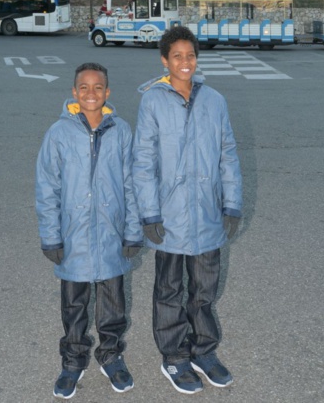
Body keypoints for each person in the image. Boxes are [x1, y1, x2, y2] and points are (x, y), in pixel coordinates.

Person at [132, 26, 243, 394]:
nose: (185, 62)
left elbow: (227, 154)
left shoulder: (214, 100)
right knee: (169, 289)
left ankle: (203, 352)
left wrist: (232, 203)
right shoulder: (153, 101)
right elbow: (143, 161)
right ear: (165, 60)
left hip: (209, 214)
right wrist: (149, 213)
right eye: (177, 56)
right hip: (170, 215)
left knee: (204, 290)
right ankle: (175, 357)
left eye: (190, 55)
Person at [36, 62, 142, 399]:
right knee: (74, 304)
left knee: (113, 303)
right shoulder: (58, 133)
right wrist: (51, 235)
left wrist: (133, 230)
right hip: (73, 235)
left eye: (98, 87)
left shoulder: (121, 130)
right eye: (84, 87)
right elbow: (46, 186)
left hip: (111, 233)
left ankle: (110, 354)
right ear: (74, 92)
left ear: (108, 92)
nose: (91, 93)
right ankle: (73, 359)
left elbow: (131, 183)